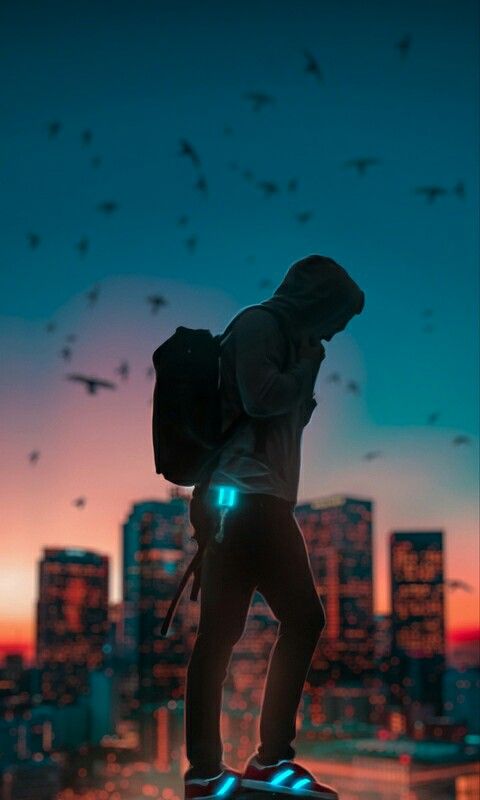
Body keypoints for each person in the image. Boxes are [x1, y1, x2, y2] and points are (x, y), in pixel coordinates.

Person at [184, 254, 365, 800]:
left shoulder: (285, 337)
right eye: (335, 317)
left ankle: (210, 772)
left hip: (251, 500)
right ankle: (263, 762)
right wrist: (306, 368)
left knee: (221, 636)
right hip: (249, 499)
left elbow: (286, 418)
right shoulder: (260, 325)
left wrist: (303, 371)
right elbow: (263, 399)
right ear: (317, 302)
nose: (336, 331)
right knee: (298, 619)